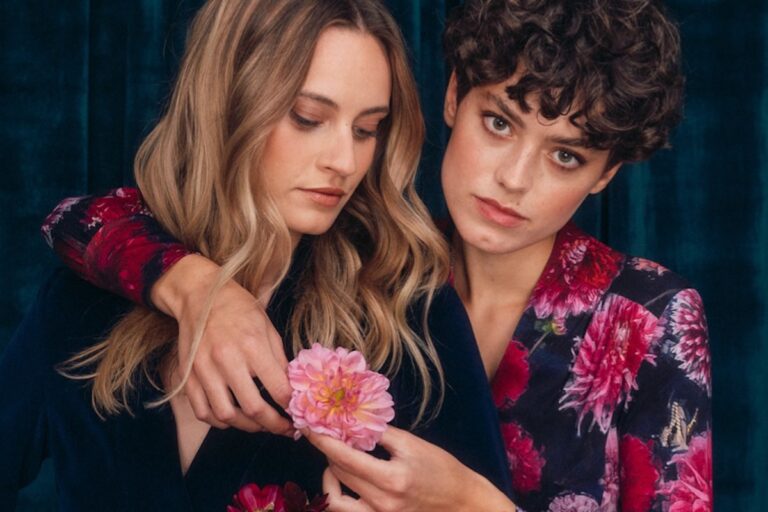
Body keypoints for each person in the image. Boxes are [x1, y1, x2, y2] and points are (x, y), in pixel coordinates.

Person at [38, 0, 713, 511]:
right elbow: (78, 221)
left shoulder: (648, 318)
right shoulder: (367, 264)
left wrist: (471, 505)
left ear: (605, 174)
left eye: (566, 156)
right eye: (498, 123)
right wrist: (196, 289)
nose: (513, 178)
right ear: (453, 97)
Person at [0, 1, 516, 510]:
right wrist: (203, 290)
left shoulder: (411, 314)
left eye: (366, 130)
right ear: (227, 104)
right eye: (308, 118)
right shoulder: (81, 301)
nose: (344, 161)